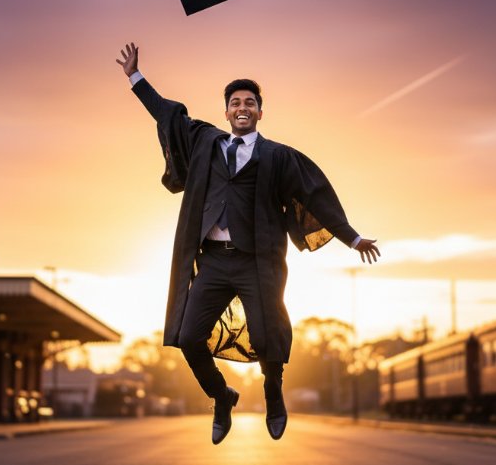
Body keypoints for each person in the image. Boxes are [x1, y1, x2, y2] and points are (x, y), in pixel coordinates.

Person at [117, 42, 380, 444]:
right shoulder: (206, 143)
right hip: (214, 262)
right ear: (226, 111)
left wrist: (353, 237)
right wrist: (136, 78)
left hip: (257, 263)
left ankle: (273, 391)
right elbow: (168, 114)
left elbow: (316, 194)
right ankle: (222, 397)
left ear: (260, 111)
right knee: (188, 338)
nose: (242, 107)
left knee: (266, 336)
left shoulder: (277, 157)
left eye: (250, 102)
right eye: (235, 102)